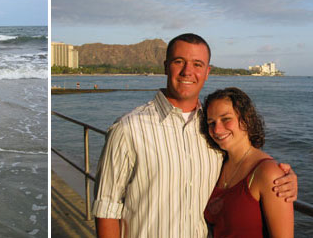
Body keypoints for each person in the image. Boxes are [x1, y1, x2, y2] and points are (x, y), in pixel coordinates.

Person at [92, 33, 297, 238]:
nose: (187, 71)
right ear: (166, 66)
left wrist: (281, 177)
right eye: (179, 61)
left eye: (197, 64)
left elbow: (243, 163)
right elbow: (107, 206)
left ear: (207, 72)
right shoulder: (128, 128)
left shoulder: (211, 131)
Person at [201, 87, 293, 237]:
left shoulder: (268, 173)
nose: (217, 130)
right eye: (211, 123)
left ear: (246, 120)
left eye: (226, 119)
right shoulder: (218, 164)